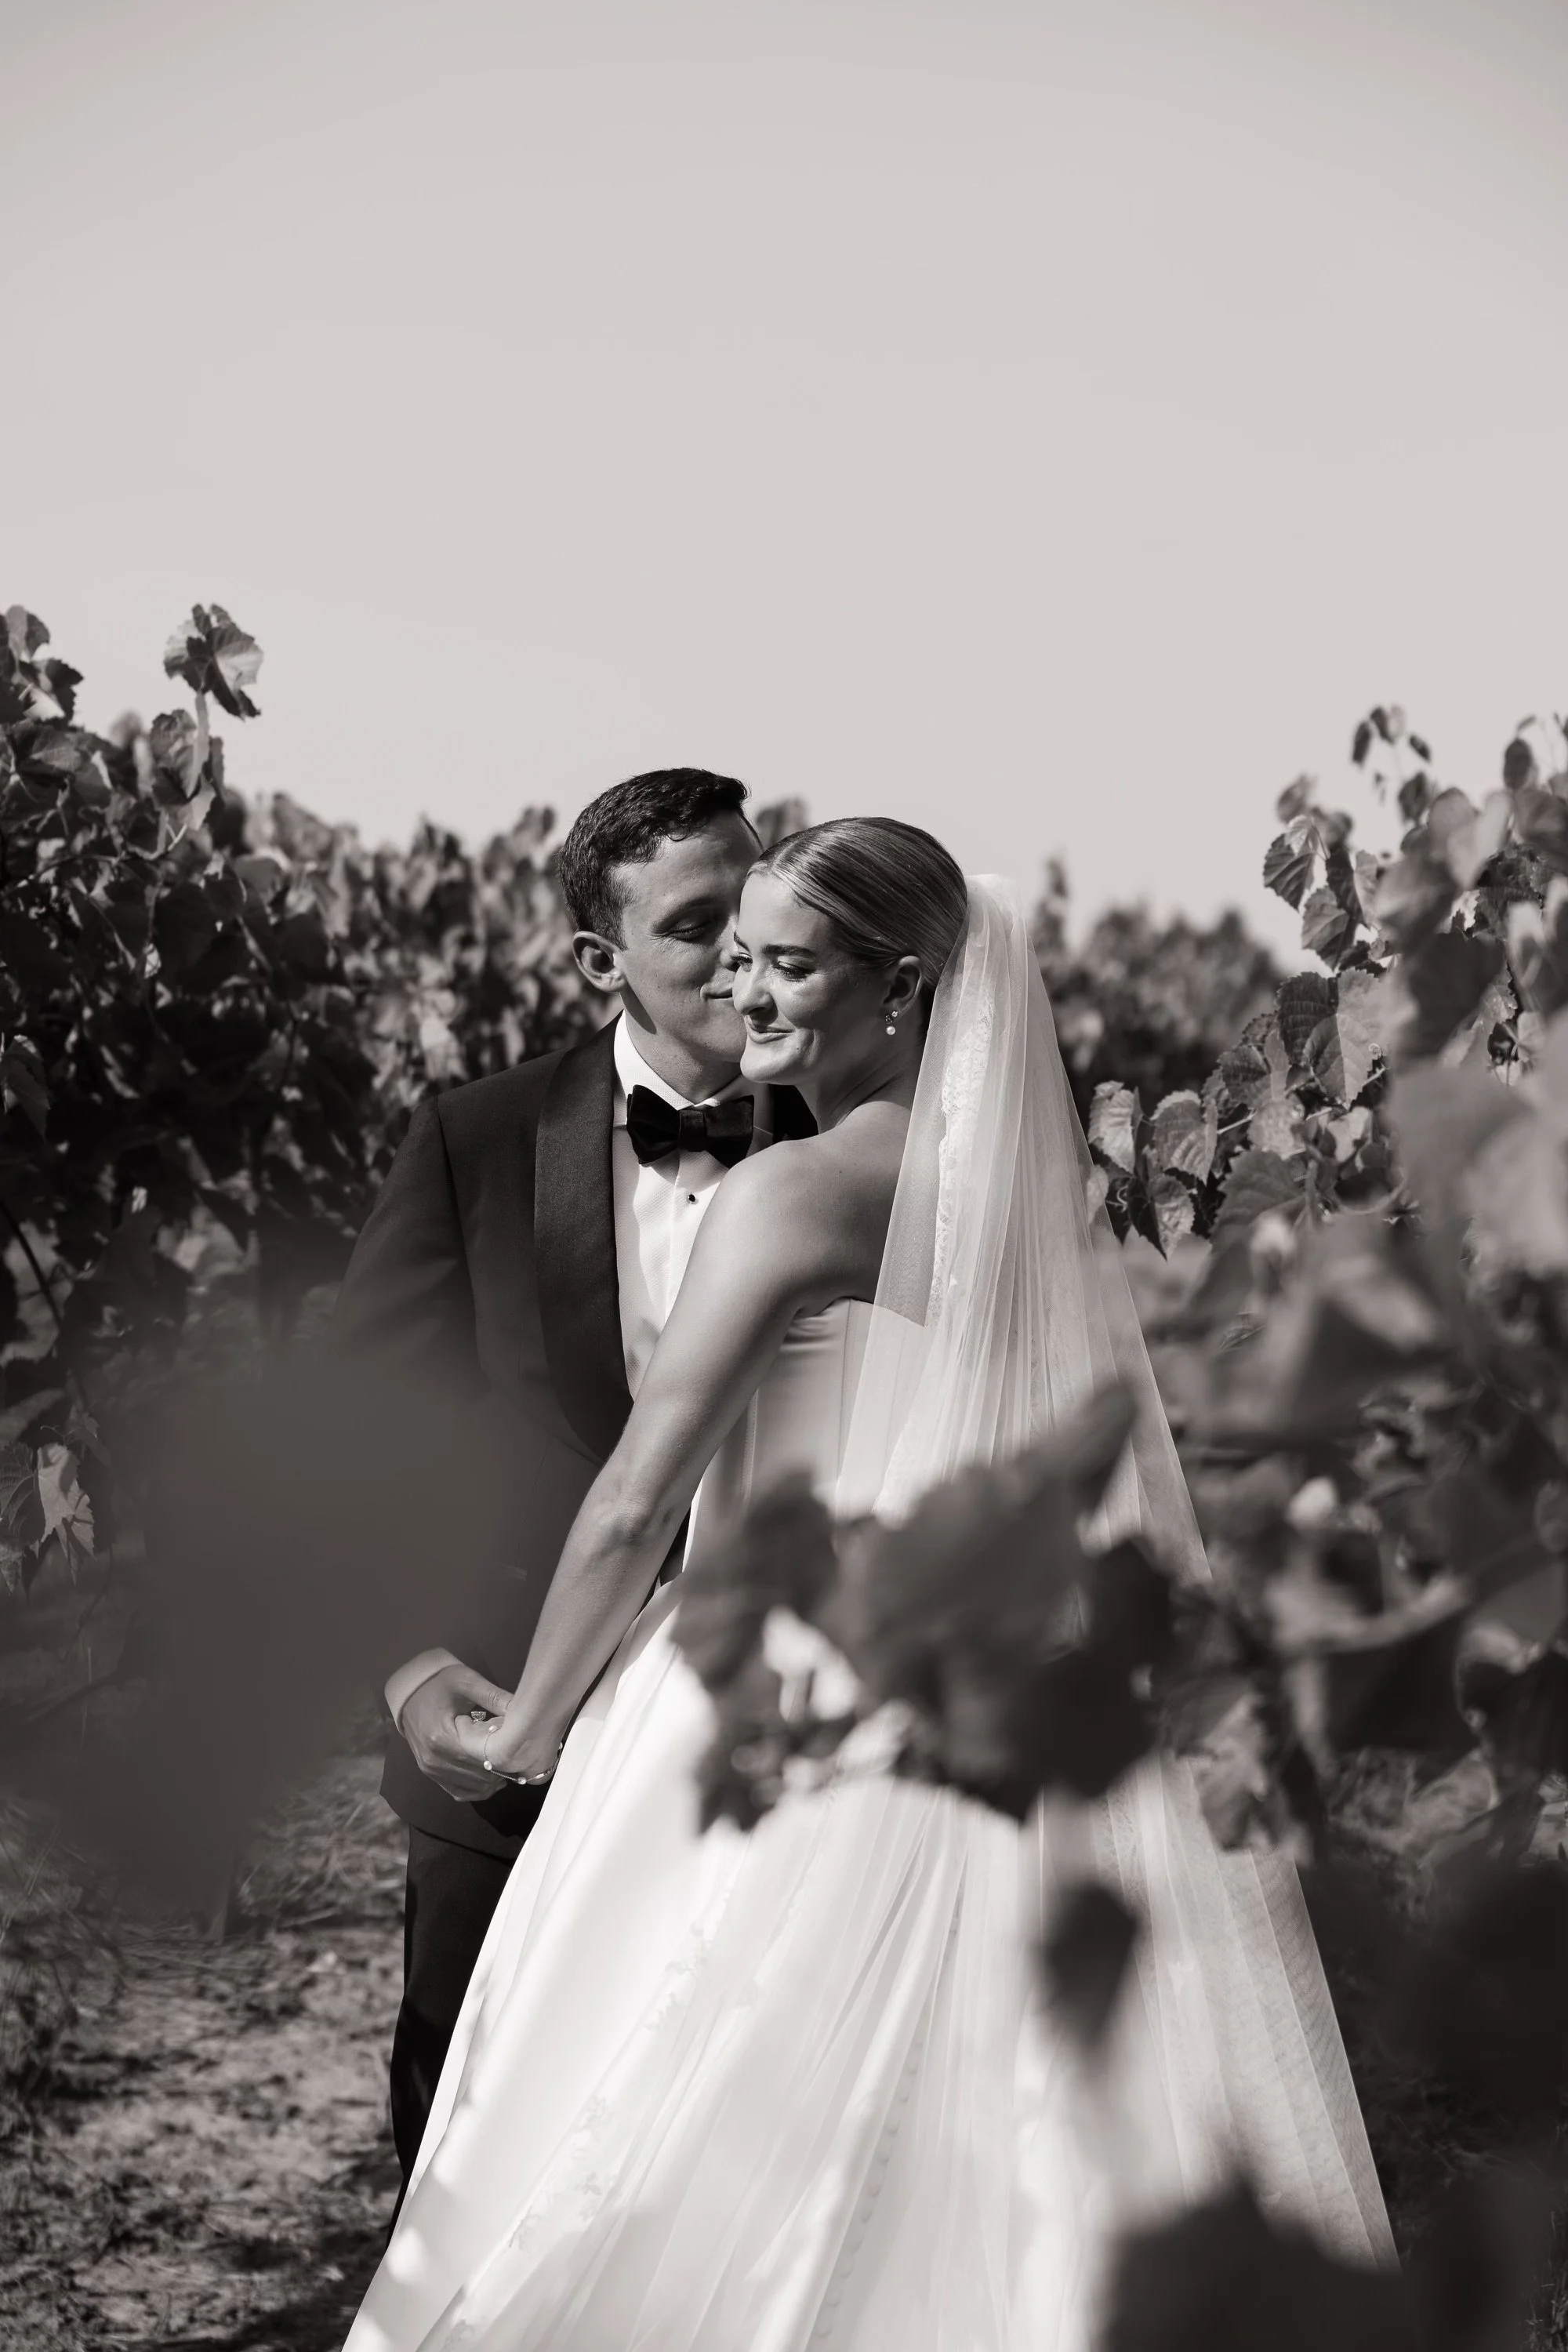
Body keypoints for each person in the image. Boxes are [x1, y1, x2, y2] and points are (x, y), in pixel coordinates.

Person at [344, 820, 1393, 2350]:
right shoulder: (1022, 1192)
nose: (744, 993)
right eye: (735, 955)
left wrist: (530, 1733)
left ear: (900, 989)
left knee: (677, 2110)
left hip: (757, 1692)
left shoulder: (783, 1196)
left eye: (787, 963)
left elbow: (638, 1500)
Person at [331, 768, 811, 2183]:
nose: (740, 955)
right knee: (468, 2125)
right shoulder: (475, 1142)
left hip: (781, 1738)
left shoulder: (868, 1146)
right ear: (602, 962)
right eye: (694, 926)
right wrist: (412, 1671)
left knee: (729, 2150)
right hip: (508, 1734)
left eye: (757, 909)